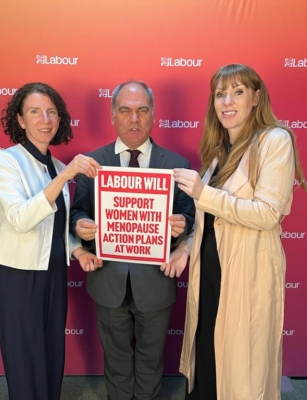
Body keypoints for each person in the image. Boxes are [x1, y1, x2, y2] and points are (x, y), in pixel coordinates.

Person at [166, 64, 307, 399]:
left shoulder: (275, 140)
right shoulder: (219, 152)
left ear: (256, 98)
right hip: (210, 273)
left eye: (238, 92)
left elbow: (267, 214)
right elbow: (211, 218)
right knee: (208, 355)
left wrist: (203, 194)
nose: (227, 101)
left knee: (241, 368)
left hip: (247, 272)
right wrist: (186, 246)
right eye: (220, 94)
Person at [70, 80, 195, 400]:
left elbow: (191, 217)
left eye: (142, 111)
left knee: (152, 358)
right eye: (125, 110)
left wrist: (182, 225)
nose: (134, 118)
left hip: (155, 281)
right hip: (107, 278)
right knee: (116, 357)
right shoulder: (92, 163)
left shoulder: (177, 164)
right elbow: (77, 212)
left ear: (154, 115)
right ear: (113, 115)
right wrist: (82, 225)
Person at [0, 82, 102, 400]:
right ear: (20, 120)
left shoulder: (58, 166)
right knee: (25, 359)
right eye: (35, 112)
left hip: (53, 273)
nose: (45, 119)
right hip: (17, 275)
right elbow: (22, 218)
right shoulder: (5, 161)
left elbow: (57, 226)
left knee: (51, 354)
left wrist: (79, 250)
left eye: (51, 112)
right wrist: (64, 178)